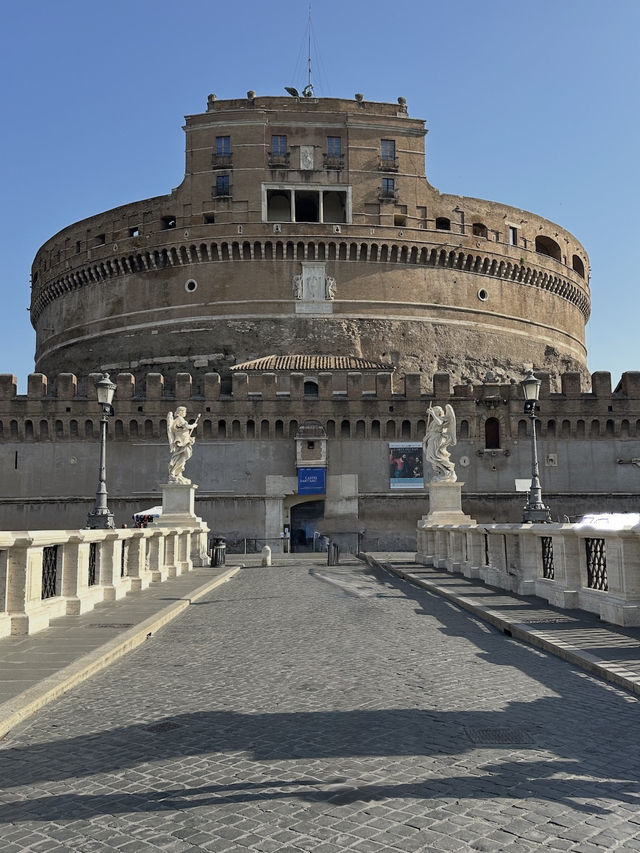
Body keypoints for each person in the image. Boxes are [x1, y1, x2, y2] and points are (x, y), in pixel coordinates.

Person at [423, 404, 457, 482]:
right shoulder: (434, 420)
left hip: (436, 439)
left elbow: (439, 423)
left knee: (434, 456)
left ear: (438, 412)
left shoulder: (441, 419)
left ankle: (447, 471)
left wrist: (432, 414)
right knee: (430, 457)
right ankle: (446, 471)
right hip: (432, 438)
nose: (433, 411)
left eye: (434, 410)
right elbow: (431, 429)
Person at [167, 407, 200, 484]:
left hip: (184, 440)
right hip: (181, 441)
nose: (185, 413)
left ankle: (177, 472)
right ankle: (174, 471)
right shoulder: (179, 419)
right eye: (184, 411)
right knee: (186, 454)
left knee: (184, 456)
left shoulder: (180, 419)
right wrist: (194, 425)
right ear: (181, 412)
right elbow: (186, 426)